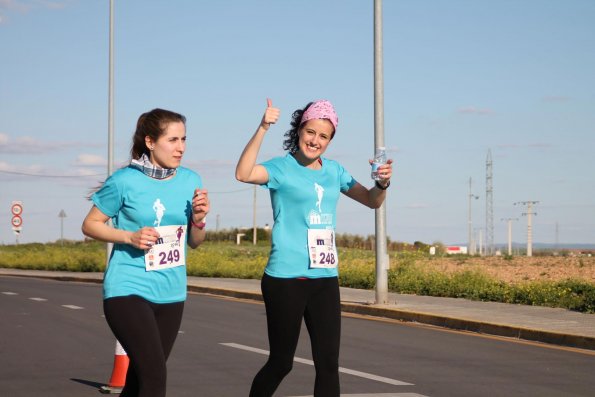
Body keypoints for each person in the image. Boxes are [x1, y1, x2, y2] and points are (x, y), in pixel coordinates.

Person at [235, 99, 393, 396]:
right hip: (285, 279)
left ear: (330, 141)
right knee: (282, 362)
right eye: (310, 132)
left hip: (324, 278)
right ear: (298, 130)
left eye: (324, 136)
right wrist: (262, 127)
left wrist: (382, 185)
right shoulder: (281, 168)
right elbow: (243, 173)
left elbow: (372, 201)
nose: (315, 140)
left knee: (328, 364)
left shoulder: (334, 171)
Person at [82, 108, 209, 397]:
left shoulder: (191, 180)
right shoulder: (125, 180)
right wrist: (129, 236)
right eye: (173, 140)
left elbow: (195, 241)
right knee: (155, 377)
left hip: (172, 292)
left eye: (184, 139)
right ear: (150, 142)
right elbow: (90, 224)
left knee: (140, 380)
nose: (181, 148)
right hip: (127, 289)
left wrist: (199, 220)